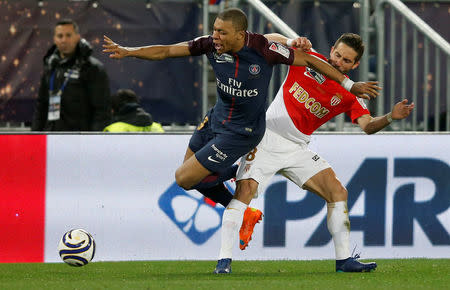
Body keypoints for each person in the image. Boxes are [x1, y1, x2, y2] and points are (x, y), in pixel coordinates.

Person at [103, 8, 380, 250]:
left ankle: (240, 175)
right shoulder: (210, 45)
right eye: (214, 30)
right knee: (191, 177)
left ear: (239, 34)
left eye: (222, 32)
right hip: (215, 119)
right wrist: (130, 51)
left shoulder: (262, 49)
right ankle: (242, 207)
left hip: (243, 132)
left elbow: (305, 59)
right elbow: (166, 50)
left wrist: (350, 86)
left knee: (183, 178)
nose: (216, 37)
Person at [214, 33, 414, 274]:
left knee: (337, 192)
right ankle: (223, 261)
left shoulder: (350, 93)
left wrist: (391, 117)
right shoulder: (306, 58)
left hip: (297, 148)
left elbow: (368, 126)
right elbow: (265, 39)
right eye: (338, 55)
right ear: (331, 50)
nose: (339, 62)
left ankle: (344, 261)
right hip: (267, 138)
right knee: (244, 193)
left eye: (346, 61)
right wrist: (291, 41)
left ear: (355, 65)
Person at [32, 19, 111, 131]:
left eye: (68, 35)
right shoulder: (50, 66)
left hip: (81, 139)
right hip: (52, 136)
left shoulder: (92, 68)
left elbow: (102, 110)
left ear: (77, 37)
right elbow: (41, 106)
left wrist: (94, 141)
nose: (64, 40)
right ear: (54, 39)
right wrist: (34, 138)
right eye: (60, 36)